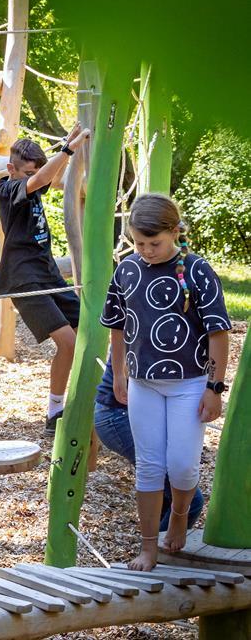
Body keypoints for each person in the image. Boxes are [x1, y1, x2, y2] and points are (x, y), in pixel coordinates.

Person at [100, 193, 230, 571]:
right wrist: (119, 373)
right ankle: (148, 547)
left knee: (182, 465)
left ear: (174, 232)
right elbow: (117, 326)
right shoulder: (127, 269)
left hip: (189, 384)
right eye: (139, 243)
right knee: (150, 466)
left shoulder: (197, 270)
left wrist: (214, 387)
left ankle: (179, 516)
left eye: (153, 243)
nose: (146, 251)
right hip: (143, 384)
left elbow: (219, 332)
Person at [0, 125, 89, 438]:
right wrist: (68, 150)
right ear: (11, 169)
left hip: (47, 274)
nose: (34, 177)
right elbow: (42, 178)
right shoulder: (7, 190)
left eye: (35, 171)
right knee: (68, 342)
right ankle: (54, 411)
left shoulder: (31, 182)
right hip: (23, 280)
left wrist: (66, 144)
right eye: (28, 172)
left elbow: (46, 175)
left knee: (90, 330)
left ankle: (89, 399)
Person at [92, 360, 205, 531]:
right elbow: (129, 366)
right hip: (117, 415)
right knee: (190, 501)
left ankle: (157, 540)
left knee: (169, 495)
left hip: (129, 413)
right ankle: (158, 545)